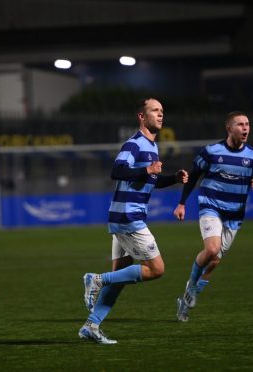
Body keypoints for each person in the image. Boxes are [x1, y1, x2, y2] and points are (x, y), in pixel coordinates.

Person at [79, 98, 189, 344]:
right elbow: (117, 171)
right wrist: (147, 170)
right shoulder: (134, 144)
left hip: (123, 217)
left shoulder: (151, 146)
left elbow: (149, 180)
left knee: (121, 277)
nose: (161, 114)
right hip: (129, 217)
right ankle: (95, 279)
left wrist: (173, 178)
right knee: (157, 269)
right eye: (155, 110)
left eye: (162, 110)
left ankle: (91, 326)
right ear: (141, 116)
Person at [174, 111, 253, 322]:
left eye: (247, 124)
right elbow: (193, 177)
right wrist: (182, 202)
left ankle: (187, 301)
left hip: (234, 214)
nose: (245, 128)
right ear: (229, 128)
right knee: (212, 249)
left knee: (214, 261)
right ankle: (191, 286)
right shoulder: (211, 152)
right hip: (211, 206)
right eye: (240, 124)